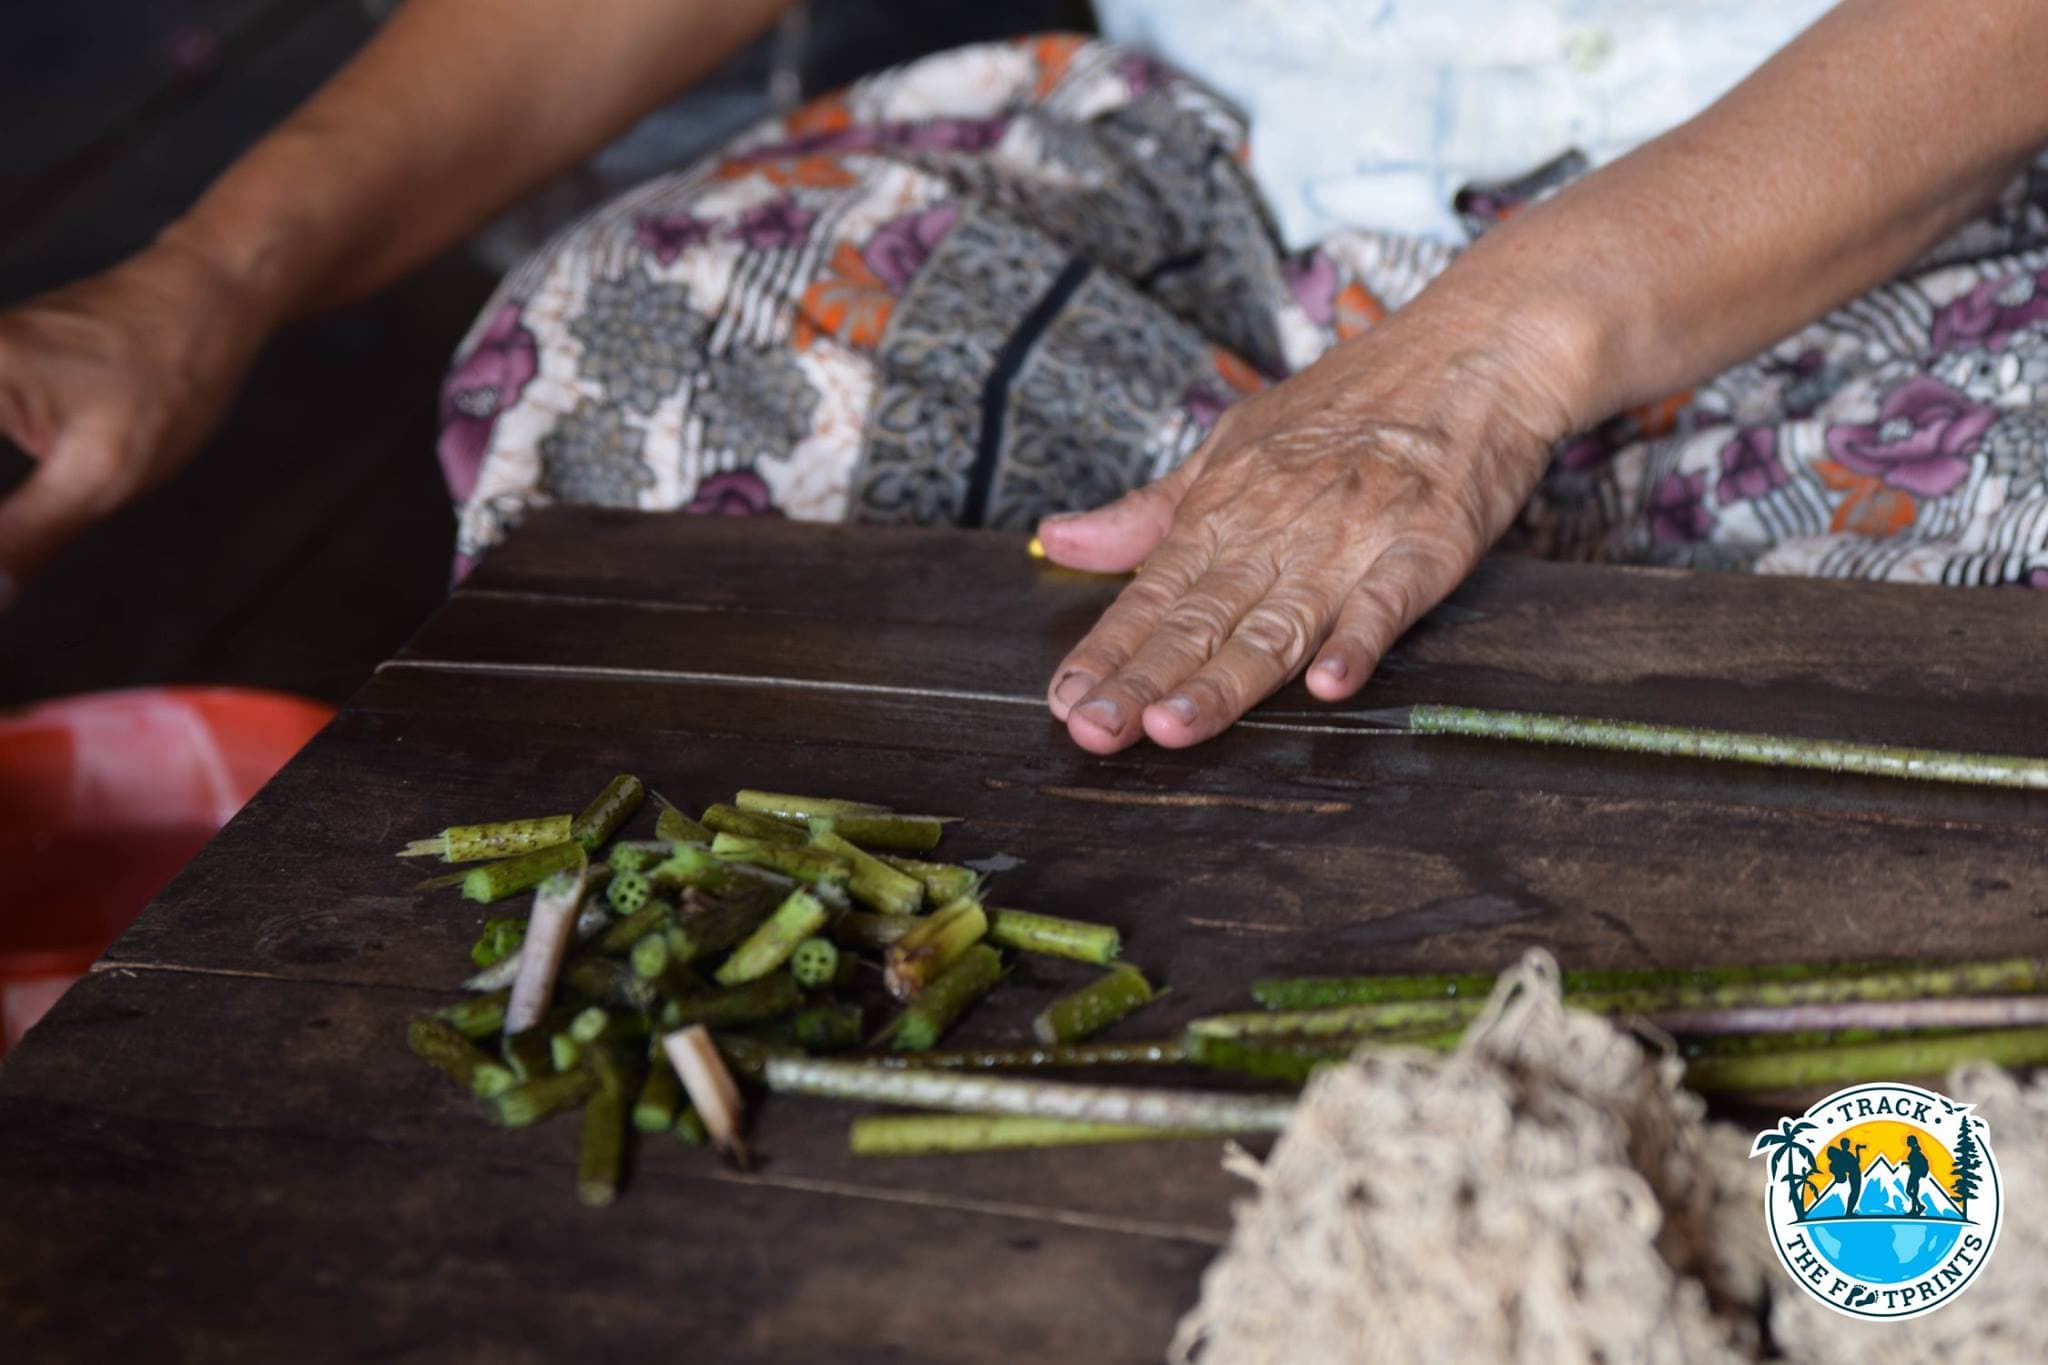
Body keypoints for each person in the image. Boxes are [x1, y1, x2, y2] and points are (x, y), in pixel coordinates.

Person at [5, 1, 2047, 758]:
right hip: (1246, 149)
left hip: (1846, 198)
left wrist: (1478, 370)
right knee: (644, 358)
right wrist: (203, 281)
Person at [1824, 1137, 1864, 1216]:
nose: (1848, 1145)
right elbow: (1856, 1162)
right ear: (1844, 1145)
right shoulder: (1846, 1154)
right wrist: (1857, 1150)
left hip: (1854, 1174)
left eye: (1848, 1144)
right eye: (1847, 1144)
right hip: (1854, 1174)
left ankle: (1849, 1211)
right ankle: (1849, 1212)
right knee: (1855, 1193)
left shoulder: (1843, 1154)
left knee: (1854, 1193)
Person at [1904, 1133, 1930, 1216]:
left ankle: (1917, 1208)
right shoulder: (1914, 1150)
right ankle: (1916, 1208)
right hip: (1915, 1174)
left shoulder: (1915, 1151)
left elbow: (1916, 1163)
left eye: (1908, 1141)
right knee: (1913, 1192)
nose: (1906, 1142)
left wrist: (1910, 1164)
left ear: (1911, 1142)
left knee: (1909, 1191)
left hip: (1915, 1174)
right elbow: (1914, 1162)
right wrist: (1907, 1163)